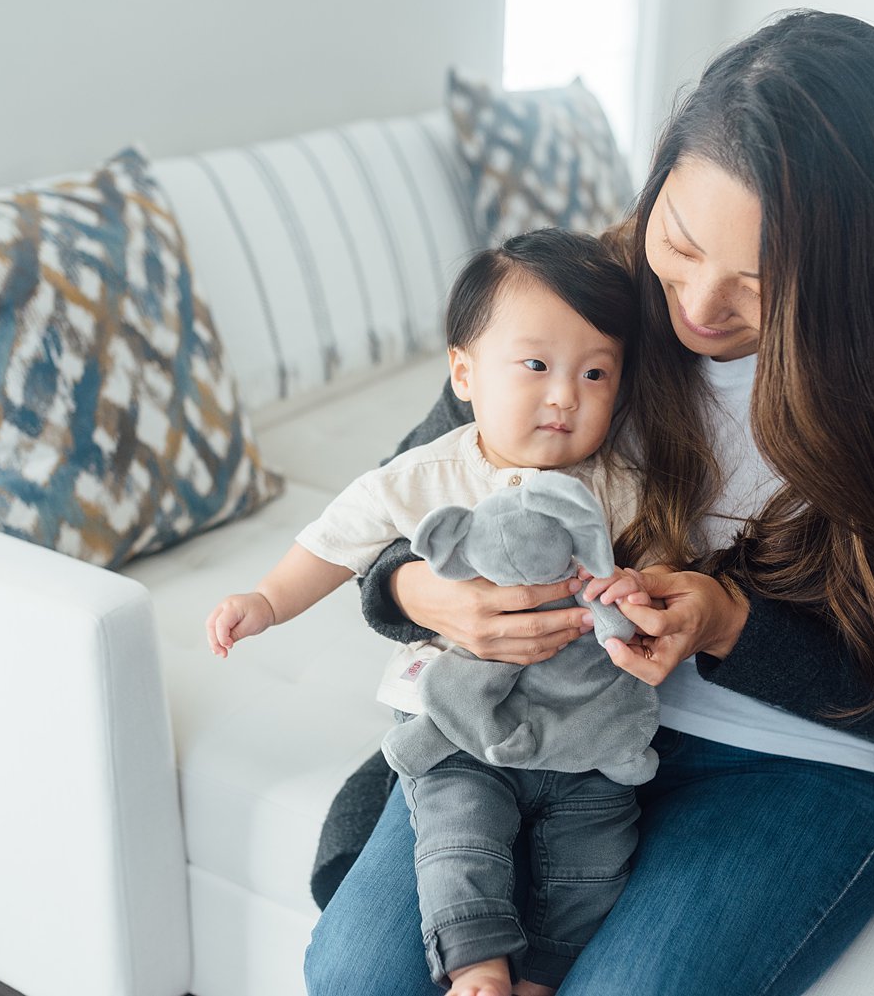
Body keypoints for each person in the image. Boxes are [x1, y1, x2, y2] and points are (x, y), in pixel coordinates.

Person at [306, 9, 874, 996]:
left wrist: (733, 623)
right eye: (681, 243)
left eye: (761, 282)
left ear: (852, 276)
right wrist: (431, 595)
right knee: (361, 975)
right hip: (538, 722)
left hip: (786, 766)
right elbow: (392, 516)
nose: (697, 302)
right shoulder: (582, 306)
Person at [207, 228, 654, 996]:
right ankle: (476, 965)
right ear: (465, 372)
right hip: (458, 726)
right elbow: (340, 536)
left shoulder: (621, 482)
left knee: (594, 859)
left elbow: (667, 564)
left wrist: (640, 591)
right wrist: (268, 599)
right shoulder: (432, 471)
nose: (565, 395)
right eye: (537, 366)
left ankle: (543, 974)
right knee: (457, 840)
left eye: (596, 373)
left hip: (586, 735)